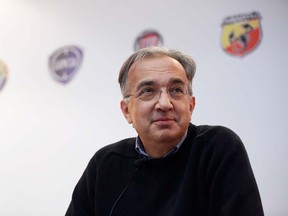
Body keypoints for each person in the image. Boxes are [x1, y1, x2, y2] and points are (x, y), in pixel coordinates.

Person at [65, 47, 264, 216]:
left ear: (191, 106)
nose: (164, 103)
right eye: (148, 91)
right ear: (127, 111)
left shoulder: (217, 148)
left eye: (176, 90)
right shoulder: (105, 164)